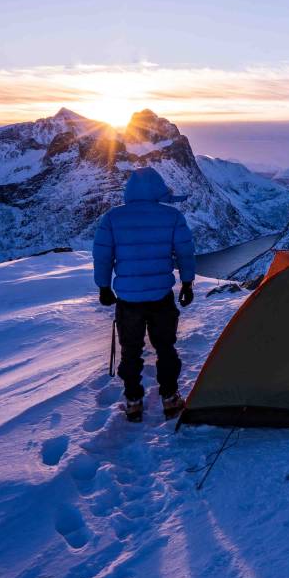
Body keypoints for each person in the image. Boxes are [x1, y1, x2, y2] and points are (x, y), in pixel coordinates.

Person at [93, 167, 196, 422]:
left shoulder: (112, 218)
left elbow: (103, 256)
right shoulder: (172, 217)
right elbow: (184, 253)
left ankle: (133, 401)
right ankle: (170, 398)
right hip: (161, 296)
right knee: (165, 347)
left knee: (130, 351)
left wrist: (104, 287)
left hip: (128, 300)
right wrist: (187, 283)